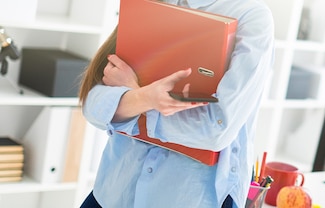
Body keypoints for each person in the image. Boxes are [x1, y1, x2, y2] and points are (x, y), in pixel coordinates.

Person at [77, 0, 274, 207]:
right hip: (114, 192)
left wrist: (133, 99)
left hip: (186, 198)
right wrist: (145, 98)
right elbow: (93, 105)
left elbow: (215, 130)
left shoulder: (251, 16)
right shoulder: (153, 3)